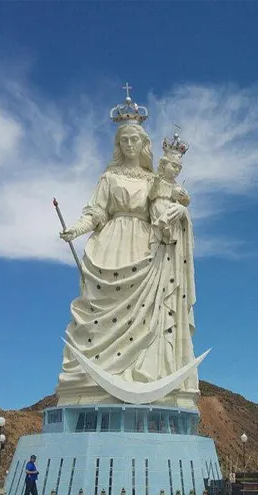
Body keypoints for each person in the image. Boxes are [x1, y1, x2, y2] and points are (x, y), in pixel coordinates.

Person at [54, 90, 199, 408]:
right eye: (124, 140)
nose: (129, 145)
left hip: (144, 249)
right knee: (98, 313)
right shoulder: (108, 178)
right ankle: (92, 381)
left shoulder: (153, 180)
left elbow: (163, 212)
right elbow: (95, 212)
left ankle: (143, 374)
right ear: (118, 145)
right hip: (110, 245)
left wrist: (179, 215)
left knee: (149, 315)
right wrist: (76, 229)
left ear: (143, 144)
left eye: (135, 139)